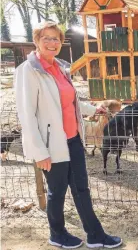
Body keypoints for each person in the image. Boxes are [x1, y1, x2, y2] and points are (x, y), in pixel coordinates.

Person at [14, 21, 122, 249]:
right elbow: (27, 115)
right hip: (51, 145)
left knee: (82, 189)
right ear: (36, 41)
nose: (52, 43)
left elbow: (69, 102)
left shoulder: (60, 68)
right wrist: (39, 151)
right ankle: (57, 234)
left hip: (73, 140)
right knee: (57, 192)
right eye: (47, 38)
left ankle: (95, 235)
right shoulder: (28, 71)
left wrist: (94, 110)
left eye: (56, 39)